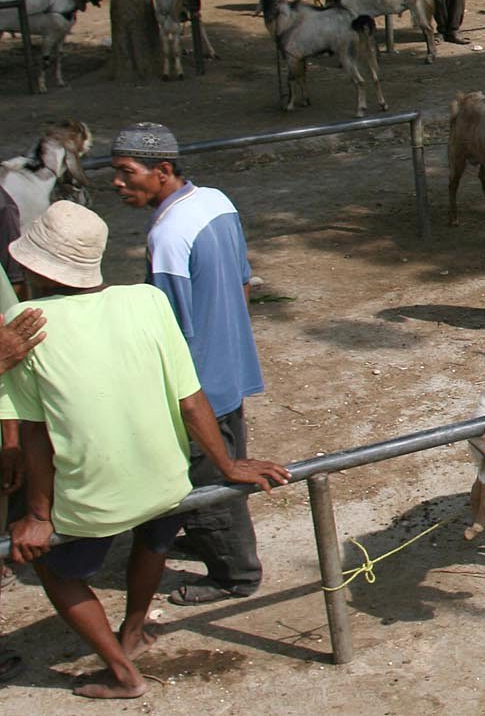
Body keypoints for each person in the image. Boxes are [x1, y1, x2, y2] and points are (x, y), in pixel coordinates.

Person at [2, 202, 289, 700]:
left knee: (50, 564)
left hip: (95, 498)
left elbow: (34, 434)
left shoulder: (25, 323)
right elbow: (191, 398)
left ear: (32, 265)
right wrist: (226, 463)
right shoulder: (147, 300)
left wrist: (37, 514)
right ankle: (133, 630)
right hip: (169, 481)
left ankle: (121, 672)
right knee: (154, 538)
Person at [104, 125, 267, 606]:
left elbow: (166, 327)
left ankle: (234, 574)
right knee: (227, 451)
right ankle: (204, 539)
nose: (117, 183)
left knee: (209, 474)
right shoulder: (216, 202)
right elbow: (243, 281)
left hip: (197, 380)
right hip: (230, 361)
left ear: (163, 171)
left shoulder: (168, 235)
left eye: (125, 172)